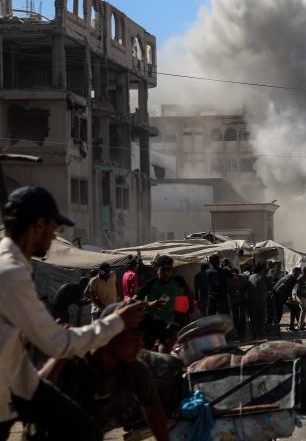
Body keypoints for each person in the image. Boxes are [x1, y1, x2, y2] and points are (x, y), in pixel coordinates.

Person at [0, 186, 145, 441]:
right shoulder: (12, 273)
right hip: (7, 392)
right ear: (38, 226)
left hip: (17, 385)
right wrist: (115, 322)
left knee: (82, 429)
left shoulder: (12, 264)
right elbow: (58, 344)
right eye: (53, 229)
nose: (54, 236)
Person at [39, 302, 171, 441]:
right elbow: (36, 397)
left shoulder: (134, 370)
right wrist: (62, 353)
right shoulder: (72, 360)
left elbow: (153, 410)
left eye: (142, 338)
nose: (140, 344)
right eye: (134, 337)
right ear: (110, 334)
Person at [136, 257, 186, 350]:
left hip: (168, 323)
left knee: (166, 348)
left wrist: (190, 304)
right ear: (156, 270)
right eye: (162, 270)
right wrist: (149, 304)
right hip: (151, 324)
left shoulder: (177, 281)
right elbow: (133, 301)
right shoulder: (151, 284)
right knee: (148, 350)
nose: (166, 273)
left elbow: (186, 291)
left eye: (169, 270)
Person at [273, 267, 302, 332]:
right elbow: (279, 290)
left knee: (296, 308)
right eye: (297, 273)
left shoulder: (293, 279)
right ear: (294, 272)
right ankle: (274, 327)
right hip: (278, 297)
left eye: (299, 274)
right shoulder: (288, 279)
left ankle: (293, 326)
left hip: (284, 297)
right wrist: (287, 297)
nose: (298, 275)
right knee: (279, 313)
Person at [247, 263, 270, 339]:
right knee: (261, 317)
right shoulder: (263, 277)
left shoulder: (250, 277)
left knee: (253, 318)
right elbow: (270, 287)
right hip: (262, 300)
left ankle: (254, 335)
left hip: (252, 300)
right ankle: (261, 335)